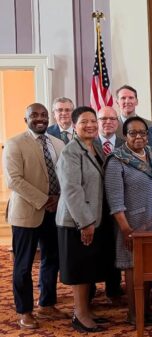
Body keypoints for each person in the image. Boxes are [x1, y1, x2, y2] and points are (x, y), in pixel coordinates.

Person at [3, 103, 67, 330]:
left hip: (54, 212)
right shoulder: (14, 143)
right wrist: (44, 199)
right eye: (34, 115)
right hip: (27, 214)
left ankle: (47, 304)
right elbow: (14, 180)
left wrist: (58, 198)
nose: (40, 119)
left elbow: (63, 175)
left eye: (43, 115)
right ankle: (25, 311)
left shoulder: (57, 143)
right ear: (26, 119)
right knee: (23, 265)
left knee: (52, 259)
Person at [104, 116, 152, 325]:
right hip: (132, 224)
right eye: (133, 133)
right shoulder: (117, 160)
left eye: (142, 133)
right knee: (132, 268)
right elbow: (115, 201)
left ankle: (146, 309)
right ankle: (134, 312)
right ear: (124, 136)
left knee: (148, 268)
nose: (138, 137)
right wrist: (126, 229)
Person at [55, 106, 111, 332]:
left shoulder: (95, 146)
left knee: (89, 267)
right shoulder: (71, 151)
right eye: (83, 122)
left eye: (93, 121)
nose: (90, 125)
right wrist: (85, 223)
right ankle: (79, 314)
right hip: (76, 222)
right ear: (74, 126)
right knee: (79, 270)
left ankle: (87, 310)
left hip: (94, 219)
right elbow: (71, 190)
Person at [90, 106, 125, 304]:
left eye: (112, 118)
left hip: (119, 204)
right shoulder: (89, 144)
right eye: (103, 119)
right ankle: (92, 289)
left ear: (117, 122)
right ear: (97, 122)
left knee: (115, 246)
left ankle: (114, 289)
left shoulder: (124, 144)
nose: (108, 122)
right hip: (95, 205)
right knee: (94, 247)